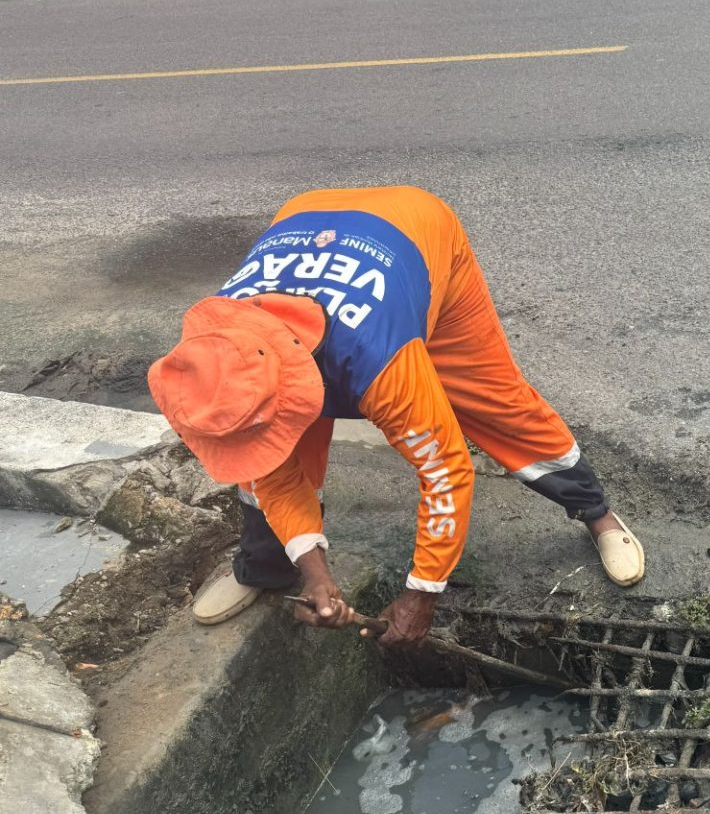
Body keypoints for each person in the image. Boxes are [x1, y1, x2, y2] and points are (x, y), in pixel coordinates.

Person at [148, 186, 644, 648]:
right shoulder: (217, 349)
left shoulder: (379, 359)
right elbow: (271, 475)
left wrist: (422, 591)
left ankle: (597, 514)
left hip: (417, 233)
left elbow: (445, 469)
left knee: (494, 400)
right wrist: (317, 575)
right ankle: (264, 569)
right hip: (306, 218)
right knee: (263, 458)